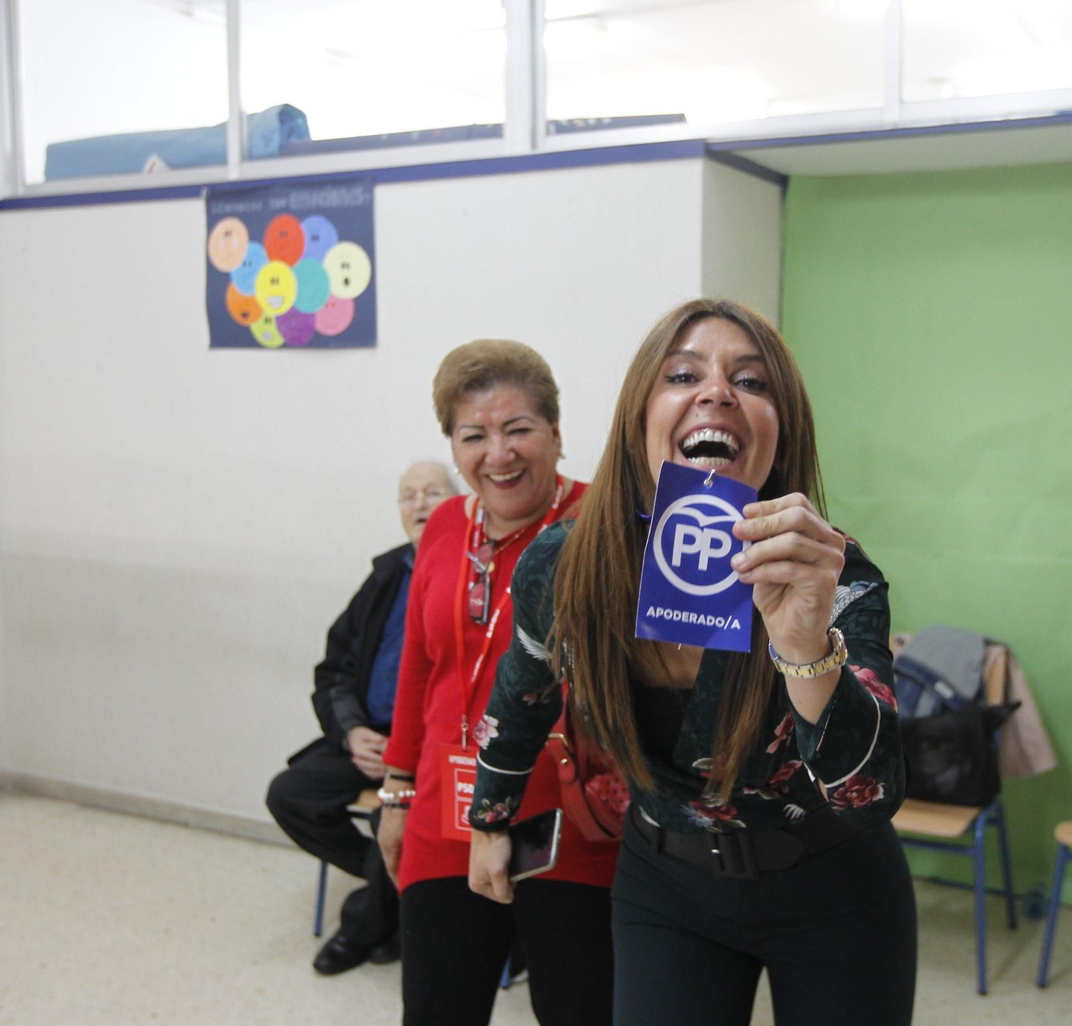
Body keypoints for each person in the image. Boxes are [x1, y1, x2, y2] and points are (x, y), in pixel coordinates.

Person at [467, 300, 916, 1025]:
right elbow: (520, 694)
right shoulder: (564, 563)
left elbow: (870, 792)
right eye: (683, 373)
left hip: (835, 885)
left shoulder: (832, 572)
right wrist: (490, 819)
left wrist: (803, 642)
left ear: (783, 431)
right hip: (666, 882)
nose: (717, 391)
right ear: (640, 417)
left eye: (753, 381)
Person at [377, 340, 619, 1026]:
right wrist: (397, 790)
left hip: (566, 821)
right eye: (473, 435)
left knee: (579, 1009)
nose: (498, 453)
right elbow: (420, 665)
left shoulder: (600, 527)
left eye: (518, 429)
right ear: (454, 447)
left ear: (556, 435)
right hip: (443, 815)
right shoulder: (446, 525)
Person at [265, 460, 455, 975]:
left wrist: (403, 753)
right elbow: (336, 666)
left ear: (461, 501)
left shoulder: (469, 573)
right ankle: (391, 893)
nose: (418, 504)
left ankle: (362, 926)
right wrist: (352, 732)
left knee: (394, 821)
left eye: (432, 492)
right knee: (290, 795)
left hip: (427, 749)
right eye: (407, 495)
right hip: (369, 736)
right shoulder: (387, 574)